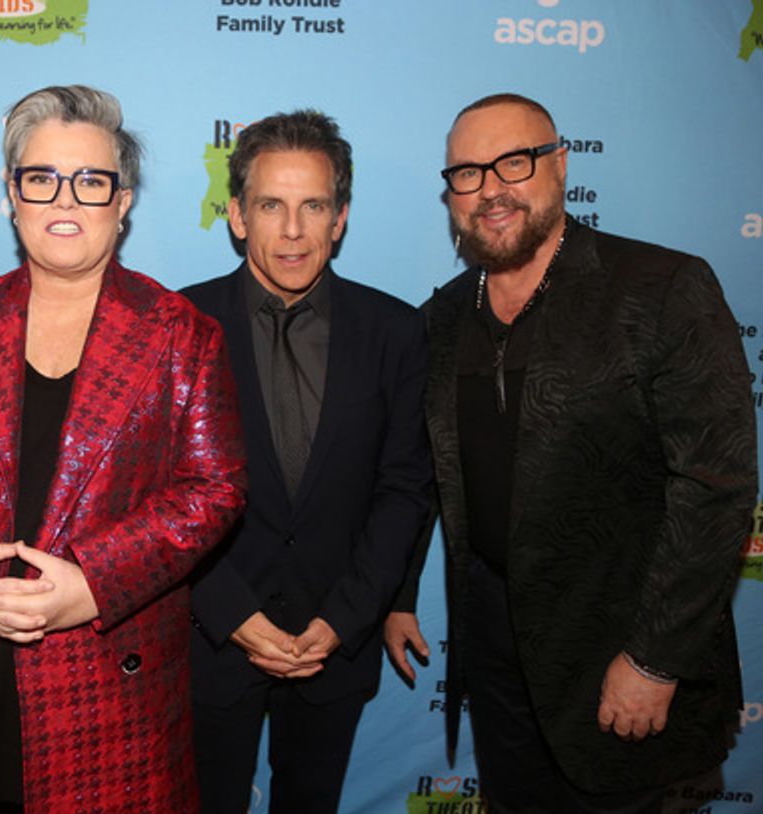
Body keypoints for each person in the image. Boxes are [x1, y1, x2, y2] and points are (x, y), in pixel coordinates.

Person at [0, 84, 247, 814]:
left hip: (111, 694)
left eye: (90, 181)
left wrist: (94, 583)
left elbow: (214, 489)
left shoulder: (181, 335)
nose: (64, 199)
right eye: (41, 179)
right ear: (13, 196)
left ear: (123, 200)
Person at [384, 93, 757, 813]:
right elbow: (428, 471)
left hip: (622, 646)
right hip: (495, 655)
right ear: (450, 194)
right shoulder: (442, 318)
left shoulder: (661, 289)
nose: (491, 189)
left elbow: (715, 486)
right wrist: (399, 597)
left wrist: (655, 659)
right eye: (467, 173)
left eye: (513, 163)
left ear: (559, 166)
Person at [182, 110, 433, 814]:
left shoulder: (396, 332)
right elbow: (157, 499)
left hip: (336, 645)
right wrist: (233, 615)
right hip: (212, 642)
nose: (292, 231)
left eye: (313, 206)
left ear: (340, 218)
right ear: (236, 215)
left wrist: (345, 620)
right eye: (271, 205)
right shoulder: (179, 326)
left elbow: (405, 490)